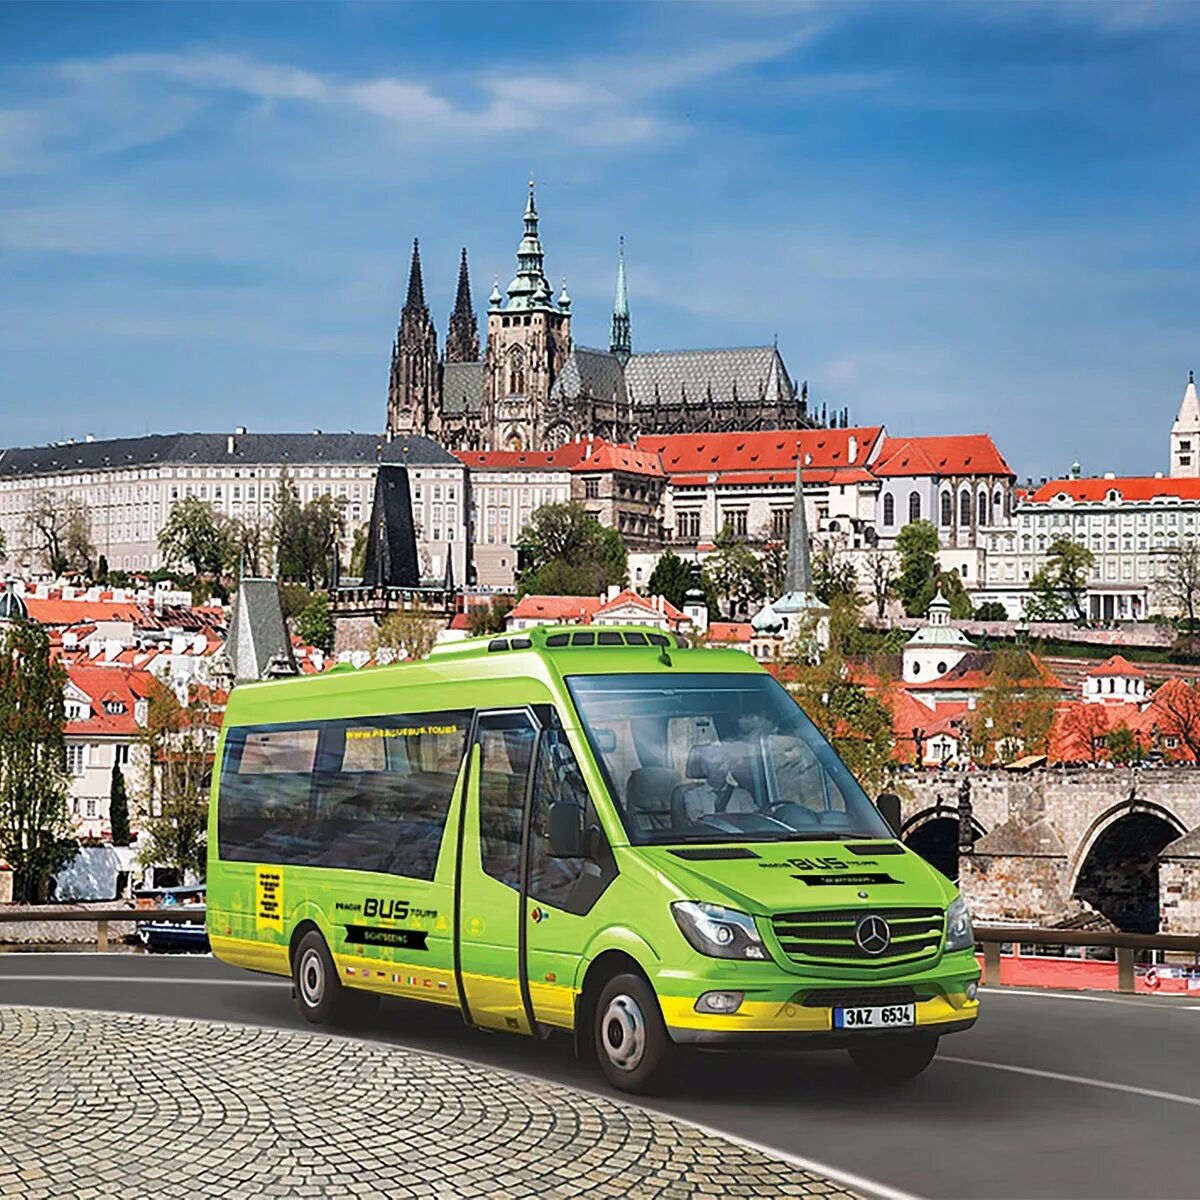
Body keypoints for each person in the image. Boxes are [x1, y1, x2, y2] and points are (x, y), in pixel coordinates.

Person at [678, 743, 755, 825]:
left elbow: (750, 823)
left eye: (723, 764)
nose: (720, 769)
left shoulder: (742, 795)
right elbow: (700, 825)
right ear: (704, 768)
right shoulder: (693, 796)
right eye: (714, 764)